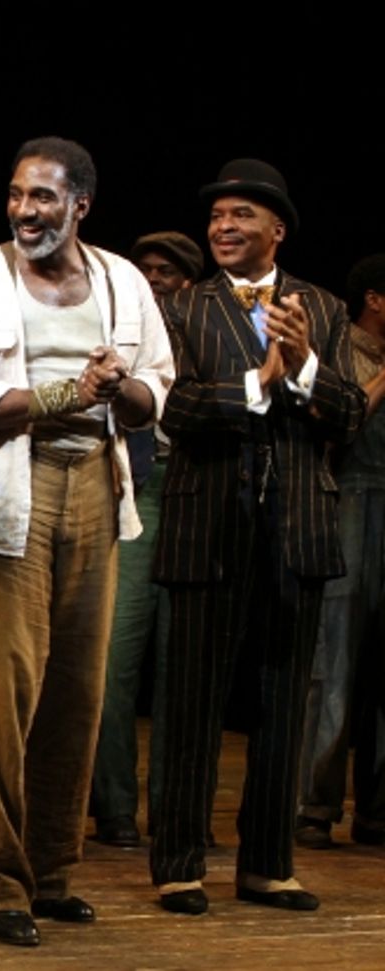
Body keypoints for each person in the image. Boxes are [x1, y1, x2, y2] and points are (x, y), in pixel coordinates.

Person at [0, 136, 173, 947]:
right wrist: (72, 390)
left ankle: (51, 869)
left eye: (43, 197)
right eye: (17, 194)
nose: (25, 210)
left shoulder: (122, 281)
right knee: (2, 693)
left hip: (95, 487)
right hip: (8, 489)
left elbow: (152, 391)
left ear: (81, 206)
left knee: (78, 689)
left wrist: (121, 386)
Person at [150, 159, 364, 915]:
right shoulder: (181, 308)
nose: (224, 228)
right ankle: (179, 861)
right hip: (206, 521)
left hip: (297, 523)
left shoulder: (326, 309)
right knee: (190, 702)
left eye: (241, 216)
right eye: (217, 218)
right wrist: (255, 386)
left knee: (282, 705)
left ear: (277, 229)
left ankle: (268, 864)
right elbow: (170, 406)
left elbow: (350, 415)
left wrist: (304, 366)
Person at [91, 230, 204, 847]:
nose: (156, 281)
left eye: (169, 272)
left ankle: (178, 813)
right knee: (112, 661)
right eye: (147, 271)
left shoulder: (211, 333)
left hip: (193, 498)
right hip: (130, 490)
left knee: (185, 670)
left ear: (189, 282)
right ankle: (112, 808)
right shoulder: (113, 329)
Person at [296, 254, 385, 850]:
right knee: (335, 657)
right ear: (375, 299)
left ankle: (376, 809)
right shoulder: (340, 345)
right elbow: (340, 422)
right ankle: (315, 804)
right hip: (351, 497)